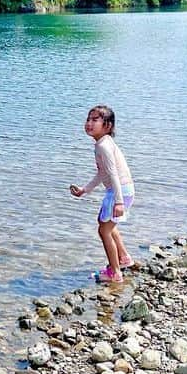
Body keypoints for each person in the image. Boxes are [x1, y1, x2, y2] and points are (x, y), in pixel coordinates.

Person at [69, 105, 135, 283]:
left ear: (108, 126)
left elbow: (112, 173)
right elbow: (103, 173)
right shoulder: (103, 143)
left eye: (95, 120)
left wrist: (119, 202)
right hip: (122, 189)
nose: (89, 123)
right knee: (105, 224)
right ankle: (123, 258)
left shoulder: (103, 146)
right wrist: (85, 189)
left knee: (104, 230)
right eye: (88, 119)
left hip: (118, 191)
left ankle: (115, 273)